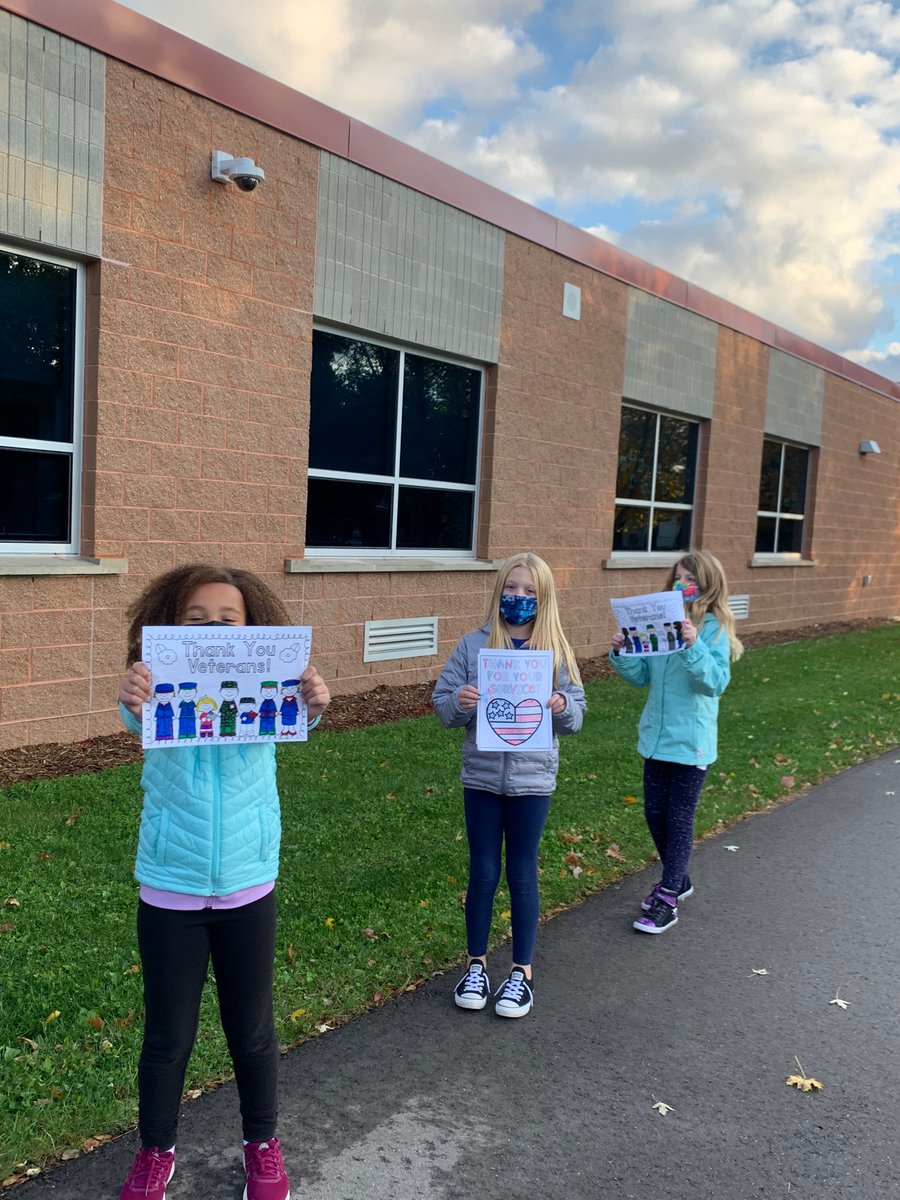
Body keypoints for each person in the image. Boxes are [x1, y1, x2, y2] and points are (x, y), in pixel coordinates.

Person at [116, 564, 331, 1200]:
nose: (213, 629)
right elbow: (137, 718)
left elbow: (299, 715)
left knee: (252, 1030)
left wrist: (312, 704)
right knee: (168, 1037)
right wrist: (134, 697)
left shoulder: (271, 681)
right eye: (196, 619)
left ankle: (262, 1145)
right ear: (169, 627)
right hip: (170, 888)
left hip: (247, 885)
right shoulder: (152, 689)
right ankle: (156, 1151)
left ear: (252, 628)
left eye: (228, 620)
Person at [433, 553, 585, 1018]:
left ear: (544, 600)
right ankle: (476, 965)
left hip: (532, 782)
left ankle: (522, 973)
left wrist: (560, 706)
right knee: (482, 872)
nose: (517, 598)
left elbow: (577, 716)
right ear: (498, 590)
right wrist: (460, 701)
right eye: (511, 588)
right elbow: (442, 704)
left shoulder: (554, 650)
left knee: (522, 873)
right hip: (481, 778)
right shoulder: (474, 646)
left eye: (529, 592)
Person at [610, 551, 743, 935]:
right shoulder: (660, 623)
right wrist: (622, 650)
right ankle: (679, 878)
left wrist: (692, 645)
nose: (681, 585)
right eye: (677, 578)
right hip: (656, 739)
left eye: (690, 580)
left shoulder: (713, 628)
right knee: (655, 814)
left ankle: (668, 896)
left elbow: (714, 682)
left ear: (707, 586)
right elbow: (640, 677)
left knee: (679, 818)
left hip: (691, 743)